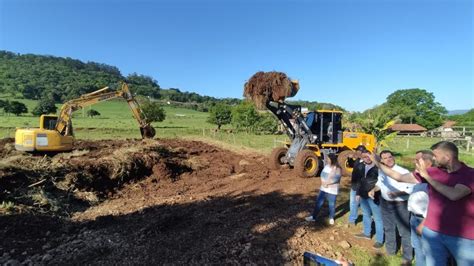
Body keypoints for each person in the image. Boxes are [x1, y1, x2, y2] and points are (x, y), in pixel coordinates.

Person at [375, 141, 474, 266]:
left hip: (462, 236)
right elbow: (399, 177)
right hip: (433, 232)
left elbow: (454, 194)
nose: (433, 158)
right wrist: (377, 162)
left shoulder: (469, 174)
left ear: (448, 157)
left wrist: (427, 177)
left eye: (436, 155)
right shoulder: (434, 172)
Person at [369, 150, 414, 265]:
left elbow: (410, 189)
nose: (388, 159)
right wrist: (373, 190)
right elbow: (379, 184)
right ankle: (391, 251)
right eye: (385, 158)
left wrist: (397, 194)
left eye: (390, 157)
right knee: (388, 228)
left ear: (393, 157)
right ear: (381, 161)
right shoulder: (382, 170)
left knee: (404, 231)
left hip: (400, 205)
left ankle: (407, 257)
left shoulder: (403, 172)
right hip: (385, 203)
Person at [354, 150, 384, 249]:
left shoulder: (378, 168)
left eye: (368, 157)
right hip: (363, 196)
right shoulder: (362, 166)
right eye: (364, 157)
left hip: (374, 196)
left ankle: (379, 240)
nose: (366, 159)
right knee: (366, 214)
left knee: (378, 218)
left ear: (371, 157)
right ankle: (367, 233)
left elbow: (382, 182)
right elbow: (360, 181)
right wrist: (358, 193)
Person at [306, 153, 342, 225]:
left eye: (328, 159)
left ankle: (331, 218)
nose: (327, 160)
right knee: (318, 203)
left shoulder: (338, 168)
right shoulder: (326, 166)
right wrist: (323, 182)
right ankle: (313, 217)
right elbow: (322, 174)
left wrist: (327, 183)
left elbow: (336, 178)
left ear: (332, 159)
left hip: (332, 190)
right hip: (323, 188)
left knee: (331, 204)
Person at [348, 145, 367, 225]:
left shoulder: (365, 163)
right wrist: (349, 158)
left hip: (359, 187)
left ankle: (353, 219)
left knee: (355, 203)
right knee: (353, 203)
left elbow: (363, 178)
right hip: (354, 185)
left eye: (357, 151)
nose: (355, 152)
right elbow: (351, 164)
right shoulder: (358, 160)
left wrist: (359, 191)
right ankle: (352, 218)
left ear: (361, 152)